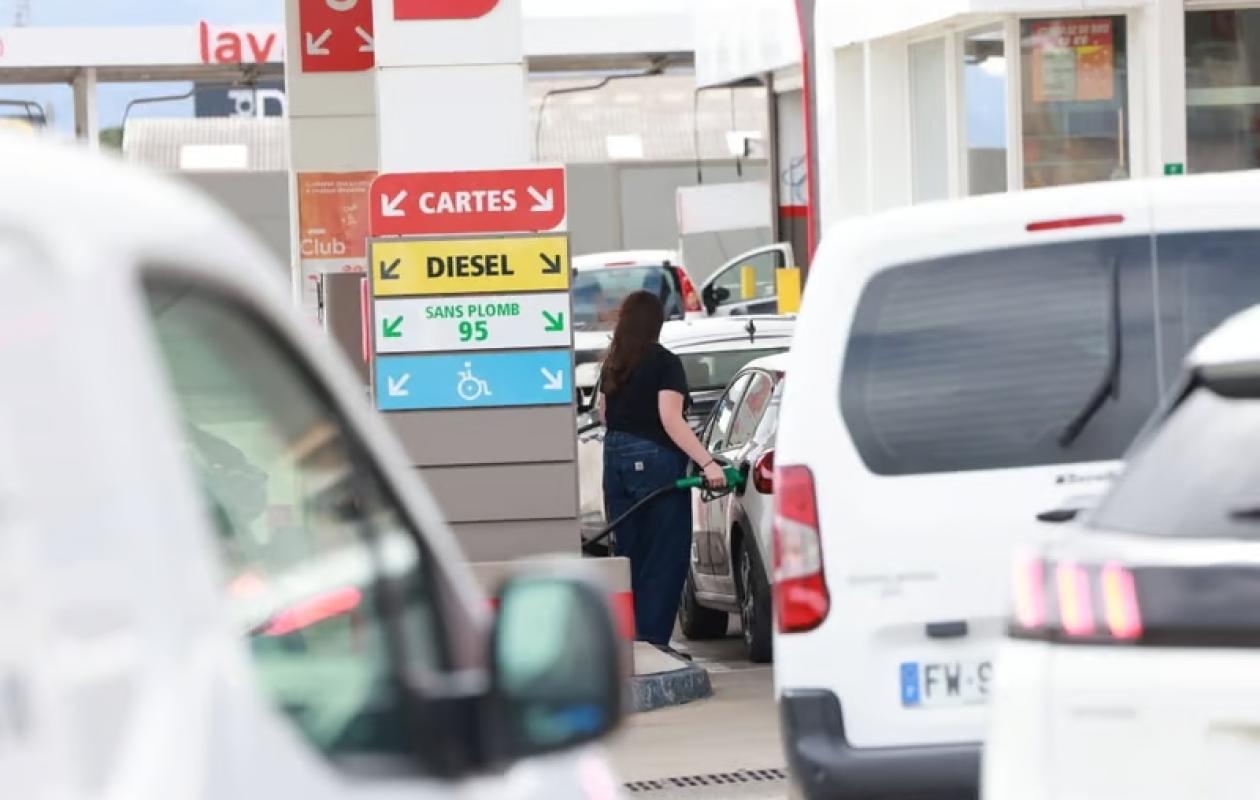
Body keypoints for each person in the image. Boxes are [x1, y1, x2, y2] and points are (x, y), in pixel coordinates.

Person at [599, 291, 727, 654]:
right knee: (665, 553)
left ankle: (632, 643)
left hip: (615, 457)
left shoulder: (613, 363)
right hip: (655, 460)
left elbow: (604, 415)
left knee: (630, 553)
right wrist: (707, 463)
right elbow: (670, 419)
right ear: (656, 323)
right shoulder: (664, 362)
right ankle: (653, 643)